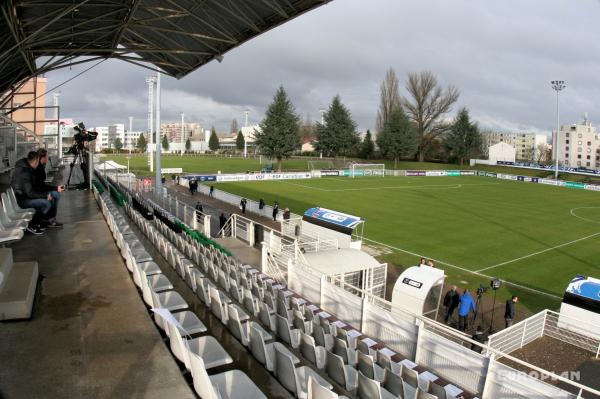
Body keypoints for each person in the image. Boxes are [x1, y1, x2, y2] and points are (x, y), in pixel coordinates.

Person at [11, 151, 54, 235]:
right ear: (35, 161)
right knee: (46, 203)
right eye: (38, 162)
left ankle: (39, 222)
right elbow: (30, 193)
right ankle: (32, 226)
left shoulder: (24, 168)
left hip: (22, 197)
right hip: (22, 200)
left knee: (46, 200)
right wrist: (44, 195)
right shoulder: (25, 172)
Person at [35, 148, 63, 227]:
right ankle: (50, 219)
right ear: (42, 157)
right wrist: (54, 189)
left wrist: (55, 188)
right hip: (37, 192)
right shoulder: (38, 168)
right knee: (55, 195)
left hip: (39, 190)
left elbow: (41, 185)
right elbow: (40, 186)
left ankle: (49, 218)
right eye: (47, 156)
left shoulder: (40, 166)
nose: (48, 158)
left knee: (55, 194)